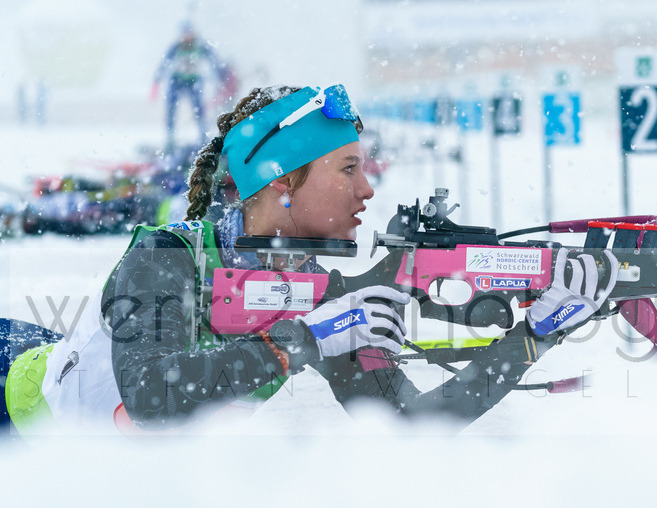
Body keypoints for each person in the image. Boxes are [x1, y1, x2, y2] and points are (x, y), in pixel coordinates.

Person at [1, 83, 617, 437]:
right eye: (348, 169)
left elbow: (413, 424)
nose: (367, 188)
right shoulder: (166, 258)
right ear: (283, 181)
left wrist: (533, 339)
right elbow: (152, 399)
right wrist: (299, 341)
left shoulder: (320, 291)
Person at [151, 21, 230, 150]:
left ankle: (203, 139)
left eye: (188, 33)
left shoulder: (201, 46)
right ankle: (170, 140)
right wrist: (157, 80)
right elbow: (164, 63)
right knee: (171, 109)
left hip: (194, 81)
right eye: (184, 33)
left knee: (199, 110)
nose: (186, 36)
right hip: (176, 80)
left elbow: (214, 61)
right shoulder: (176, 46)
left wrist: (221, 78)